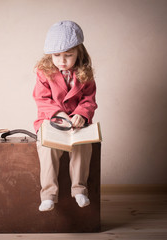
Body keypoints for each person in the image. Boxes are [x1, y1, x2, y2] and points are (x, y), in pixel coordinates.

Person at [33, 20, 97, 211]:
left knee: (82, 146)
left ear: (79, 52)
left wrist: (81, 114)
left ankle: (79, 190)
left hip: (77, 125)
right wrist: (58, 113)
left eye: (68, 55)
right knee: (47, 148)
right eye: (56, 55)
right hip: (51, 121)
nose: (62, 60)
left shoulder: (85, 74)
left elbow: (89, 99)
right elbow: (41, 98)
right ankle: (48, 195)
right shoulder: (44, 72)